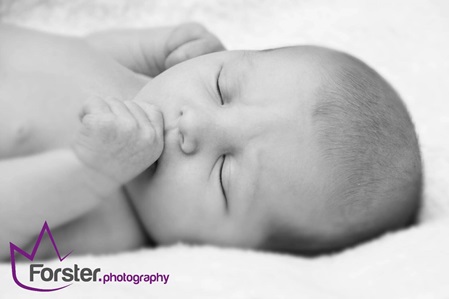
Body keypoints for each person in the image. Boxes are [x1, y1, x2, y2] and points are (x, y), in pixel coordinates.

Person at [0, 22, 421, 260]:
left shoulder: (112, 229)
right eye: (221, 87)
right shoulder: (143, 86)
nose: (194, 124)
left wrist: (90, 173)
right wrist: (155, 49)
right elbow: (78, 51)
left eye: (223, 173)